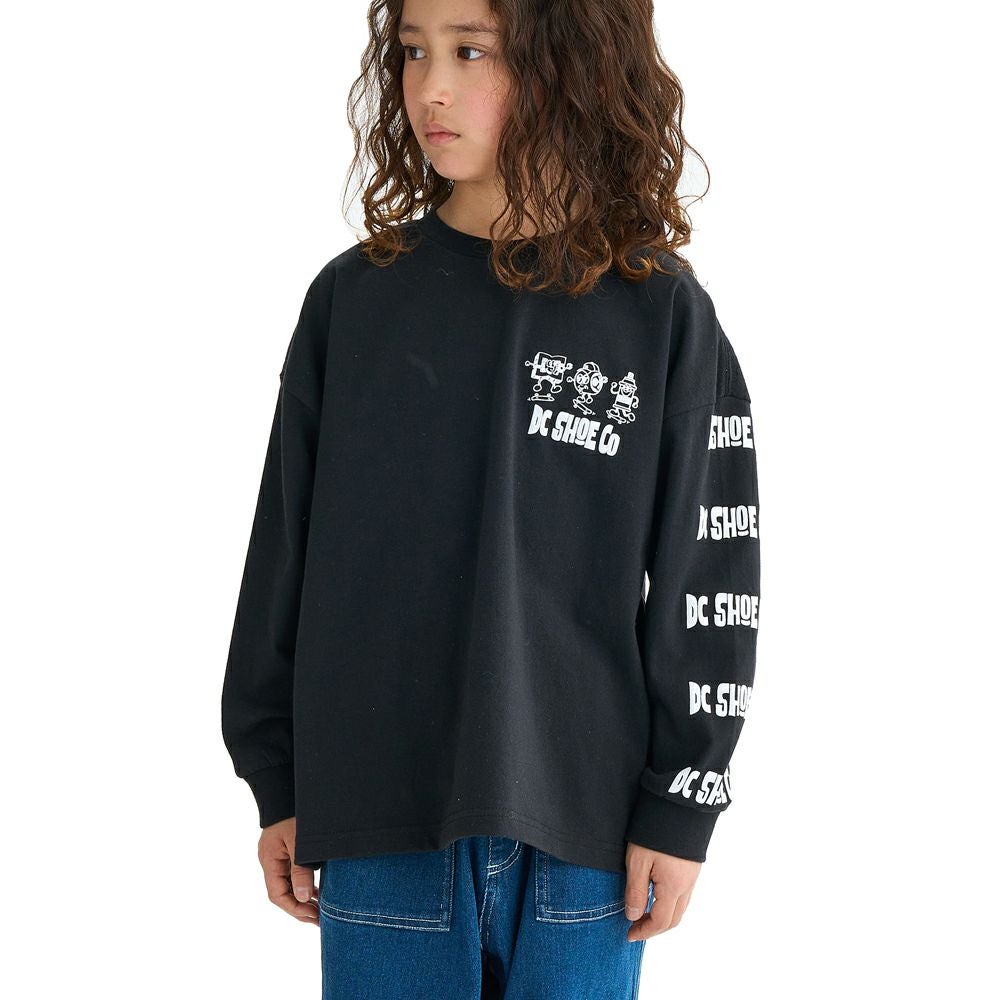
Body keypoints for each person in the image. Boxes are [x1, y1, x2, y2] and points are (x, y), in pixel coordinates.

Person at [221, 1, 761, 996]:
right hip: (379, 821)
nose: (430, 88)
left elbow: (709, 576)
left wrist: (683, 804)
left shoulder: (660, 313)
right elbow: (282, 556)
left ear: (572, 63)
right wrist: (277, 776)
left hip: (590, 841)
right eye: (412, 52)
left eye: (472, 51)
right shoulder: (354, 302)